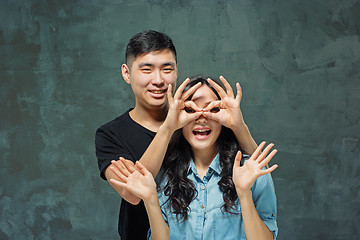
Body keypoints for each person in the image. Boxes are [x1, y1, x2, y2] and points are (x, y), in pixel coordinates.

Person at [95, 30, 258, 239]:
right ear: (127, 73)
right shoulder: (110, 134)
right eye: (146, 69)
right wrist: (169, 127)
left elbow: (255, 172)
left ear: (177, 71)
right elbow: (133, 194)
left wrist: (238, 126)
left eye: (167, 69)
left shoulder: (198, 120)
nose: (158, 80)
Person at [109, 76, 278, 240]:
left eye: (212, 109)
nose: (201, 117)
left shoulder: (250, 170)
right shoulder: (164, 174)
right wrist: (151, 200)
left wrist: (244, 194)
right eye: (190, 110)